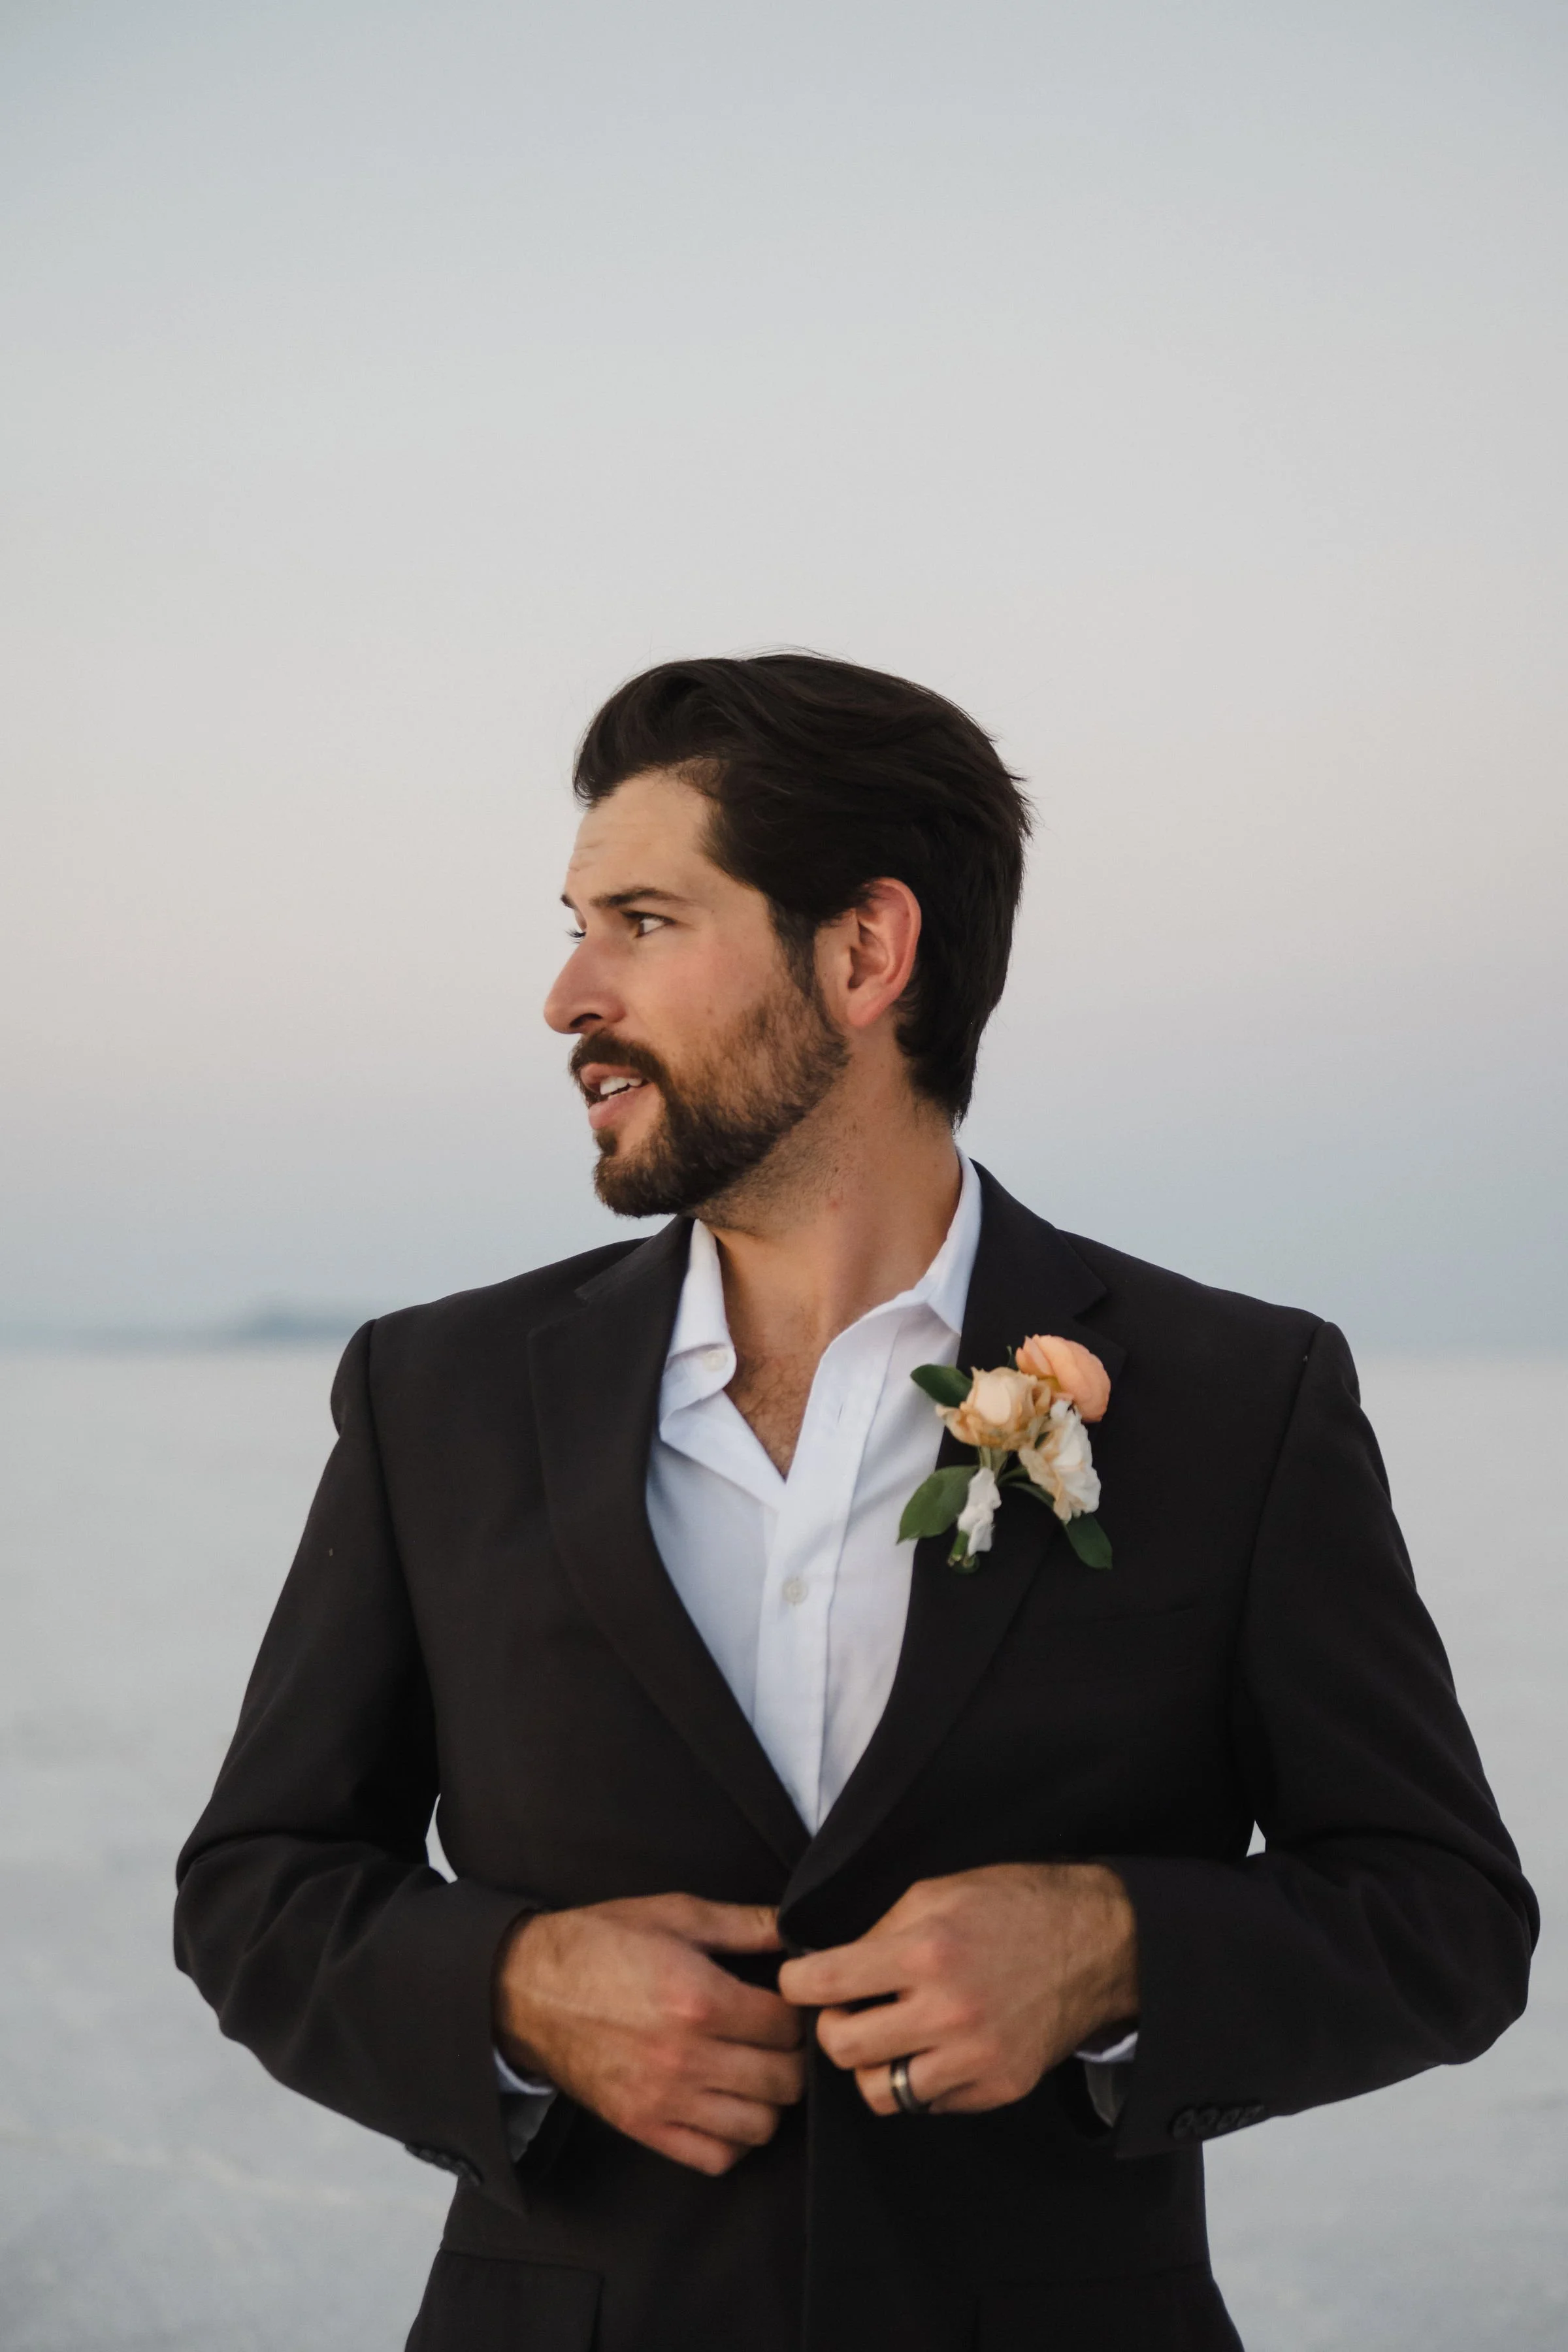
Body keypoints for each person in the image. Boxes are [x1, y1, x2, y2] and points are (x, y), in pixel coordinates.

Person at [174, 654, 1535, 2352]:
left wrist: (1116, 1951)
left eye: (644, 922)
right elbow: (261, 1886)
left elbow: (1443, 1918)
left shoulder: (1239, 1399)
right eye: (575, 920)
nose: (566, 992)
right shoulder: (433, 1397)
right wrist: (513, 1990)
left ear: (866, 953)